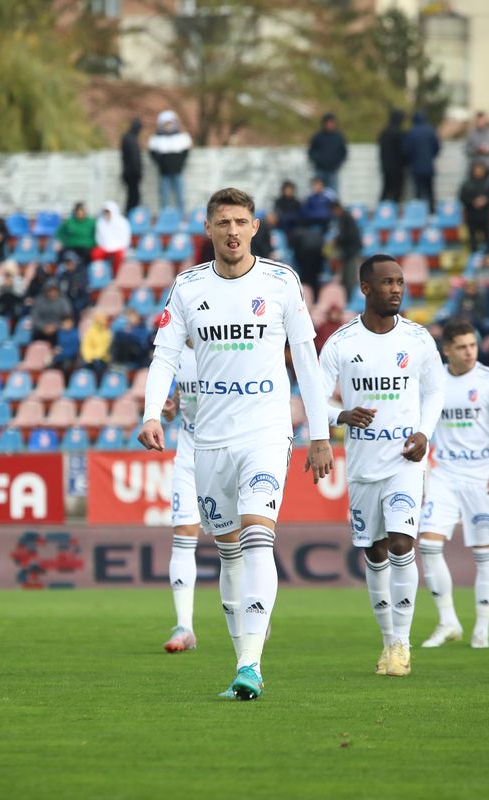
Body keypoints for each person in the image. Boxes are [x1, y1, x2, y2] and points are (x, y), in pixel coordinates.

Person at [137, 187, 333, 701]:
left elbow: (307, 362)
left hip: (266, 434)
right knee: (226, 553)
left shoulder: (281, 281)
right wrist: (151, 412)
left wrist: (320, 434)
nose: (232, 231)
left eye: (241, 222)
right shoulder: (187, 288)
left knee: (257, 537)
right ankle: (244, 648)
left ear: (256, 227)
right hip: (209, 442)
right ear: (209, 229)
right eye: (223, 222)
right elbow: (163, 356)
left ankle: (251, 665)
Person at [320, 254, 444, 676]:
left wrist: (424, 434)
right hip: (362, 466)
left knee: (401, 544)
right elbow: (318, 397)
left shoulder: (418, 339)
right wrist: (342, 415)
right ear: (366, 288)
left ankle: (404, 646)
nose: (396, 289)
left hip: (405, 461)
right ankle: (388, 641)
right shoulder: (341, 343)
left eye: (400, 282)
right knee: (374, 554)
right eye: (387, 282)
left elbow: (435, 392)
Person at [418, 317, 489, 650]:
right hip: (445, 473)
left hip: (483, 475)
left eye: (472, 345)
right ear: (446, 351)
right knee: (429, 544)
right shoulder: (433, 383)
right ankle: (448, 620)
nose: (469, 352)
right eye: (461, 347)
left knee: (484, 554)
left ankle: (482, 630)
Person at [161, 342, 202, 652]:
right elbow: (181, 399)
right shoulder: (176, 353)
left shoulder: (221, 343)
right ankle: (184, 626)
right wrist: (173, 408)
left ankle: (253, 609)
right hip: (187, 458)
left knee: (237, 540)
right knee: (183, 534)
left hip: (225, 455)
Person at [148, 110, 191, 211]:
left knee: (180, 195)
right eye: (166, 124)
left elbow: (185, 153)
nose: (168, 126)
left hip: (177, 171)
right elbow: (153, 154)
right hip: (164, 172)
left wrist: (180, 164)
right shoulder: (157, 139)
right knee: (164, 195)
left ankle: (181, 216)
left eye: (170, 124)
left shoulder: (181, 137)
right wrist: (161, 163)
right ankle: (164, 216)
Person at [403, 111, 441, 211]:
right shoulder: (431, 131)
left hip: (416, 167)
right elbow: (437, 147)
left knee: (418, 192)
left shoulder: (411, 132)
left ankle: (419, 213)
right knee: (430, 191)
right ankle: (432, 211)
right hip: (429, 166)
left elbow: (406, 150)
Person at [459, 162, 489, 254]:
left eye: (481, 169)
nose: (479, 172)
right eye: (477, 169)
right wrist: (473, 202)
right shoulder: (467, 183)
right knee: (472, 239)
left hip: (485, 215)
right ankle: (474, 258)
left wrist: (485, 201)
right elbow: (462, 197)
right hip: (472, 215)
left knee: (488, 239)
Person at [308, 112, 348, 192]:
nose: (329, 125)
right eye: (328, 123)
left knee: (332, 194)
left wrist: (336, 164)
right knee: (318, 193)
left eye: (331, 123)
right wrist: (319, 161)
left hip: (333, 171)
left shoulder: (339, 137)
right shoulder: (318, 137)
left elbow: (343, 152)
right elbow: (311, 151)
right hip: (320, 170)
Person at [331, 202, 362, 297]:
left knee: (350, 278)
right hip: (348, 252)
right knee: (345, 277)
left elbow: (347, 235)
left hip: (351, 252)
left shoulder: (345, 218)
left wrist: (337, 240)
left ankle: (351, 297)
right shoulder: (345, 218)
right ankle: (347, 297)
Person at [92, 201, 131, 271]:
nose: (106, 214)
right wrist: (105, 247)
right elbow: (98, 238)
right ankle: (102, 274)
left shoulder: (123, 222)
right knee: (95, 254)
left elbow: (126, 239)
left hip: (119, 247)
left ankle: (115, 275)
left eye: (108, 212)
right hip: (105, 247)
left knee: (120, 255)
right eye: (105, 212)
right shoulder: (100, 222)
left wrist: (118, 247)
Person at [378, 109, 406, 203]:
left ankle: (382, 209)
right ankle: (394, 211)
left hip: (385, 166)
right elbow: (402, 151)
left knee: (386, 189)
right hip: (397, 167)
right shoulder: (398, 133)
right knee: (396, 191)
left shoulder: (384, 132)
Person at [121, 118, 143, 212]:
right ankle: (131, 215)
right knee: (133, 196)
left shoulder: (128, 138)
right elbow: (134, 158)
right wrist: (137, 172)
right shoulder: (130, 139)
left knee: (133, 196)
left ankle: (131, 214)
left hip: (129, 173)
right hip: (132, 174)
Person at [80, 312, 112, 378]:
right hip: (91, 357)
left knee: (98, 365)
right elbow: (86, 346)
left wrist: (96, 356)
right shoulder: (90, 332)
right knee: (83, 364)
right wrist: (88, 357)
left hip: (103, 358)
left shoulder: (108, 333)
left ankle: (98, 384)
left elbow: (105, 348)